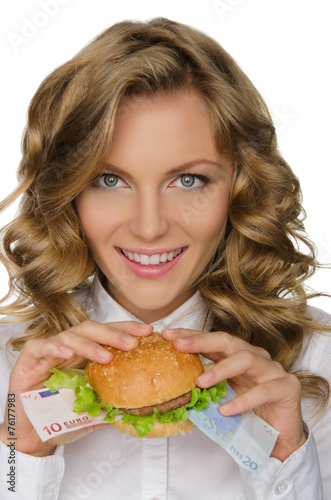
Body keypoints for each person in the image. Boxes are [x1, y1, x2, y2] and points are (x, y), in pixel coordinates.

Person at [0, 17, 330, 500]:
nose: (149, 226)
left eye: (189, 180)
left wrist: (285, 458)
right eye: (109, 180)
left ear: (241, 185)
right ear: (66, 193)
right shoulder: (9, 363)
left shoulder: (317, 360)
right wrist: (17, 450)